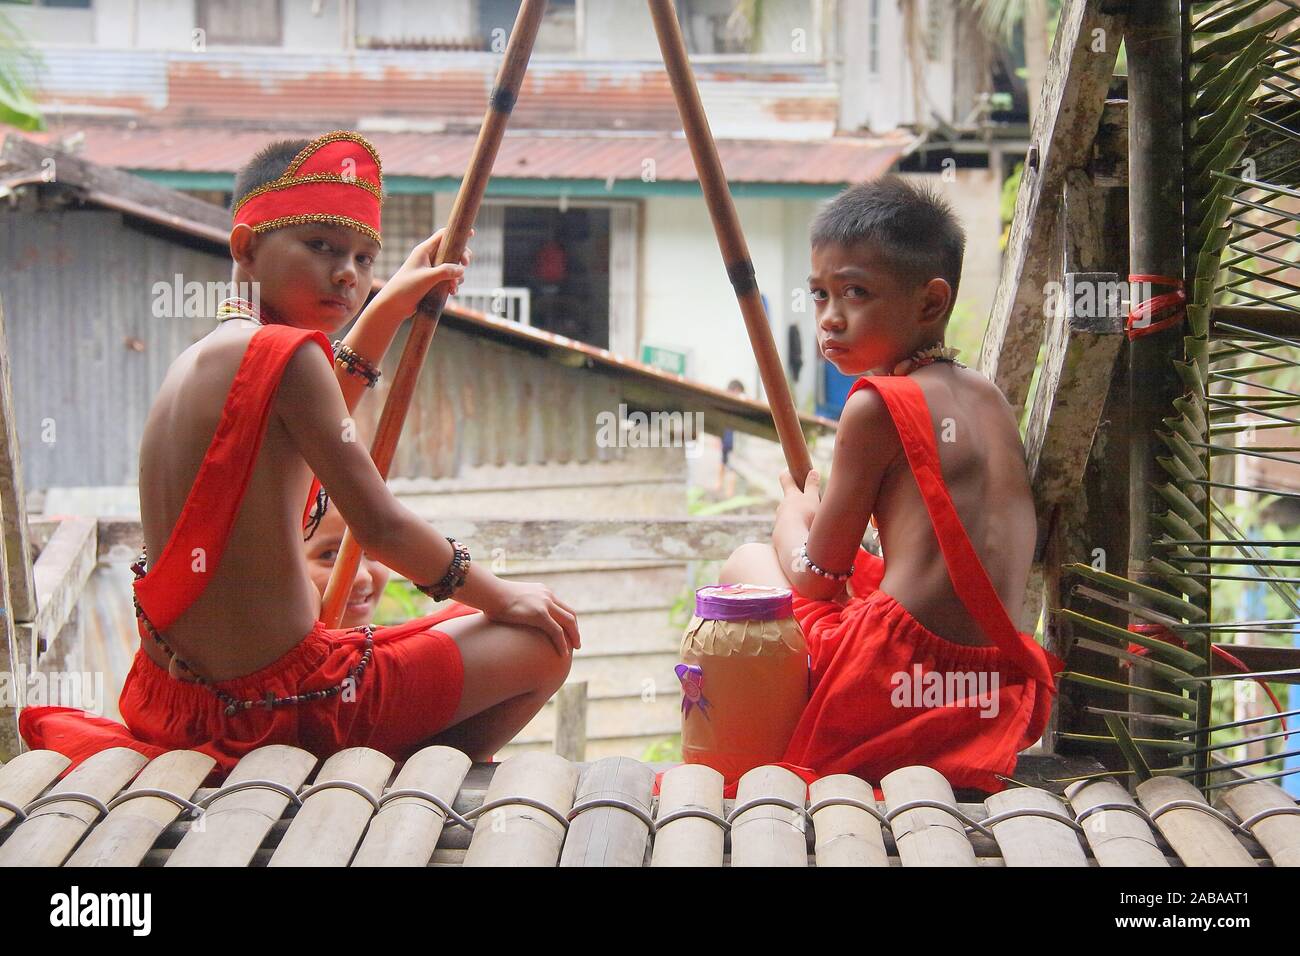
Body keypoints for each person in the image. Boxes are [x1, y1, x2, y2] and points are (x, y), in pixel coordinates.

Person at [20, 130, 580, 780]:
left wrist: (390, 305)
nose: (348, 273)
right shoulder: (288, 358)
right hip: (283, 710)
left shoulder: (207, 357)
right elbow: (381, 526)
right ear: (247, 247)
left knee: (474, 625)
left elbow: (316, 423)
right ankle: (399, 786)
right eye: (322, 247)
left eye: (365, 259)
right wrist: (501, 596)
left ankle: (386, 778)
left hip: (174, 702)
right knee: (542, 640)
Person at [715, 175, 1064, 794]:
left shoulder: (876, 405)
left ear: (930, 303)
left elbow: (816, 577)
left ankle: (760, 758)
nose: (830, 319)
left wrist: (793, 511)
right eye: (819, 295)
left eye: (855, 293)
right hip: (988, 685)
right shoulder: (987, 398)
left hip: (894, 678)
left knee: (745, 561)